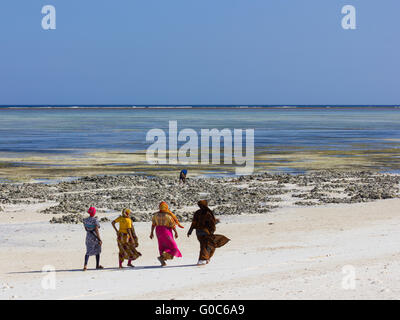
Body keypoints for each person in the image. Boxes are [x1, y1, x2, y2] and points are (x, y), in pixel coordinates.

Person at [187, 200, 230, 265]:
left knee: (205, 245)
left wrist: (190, 231)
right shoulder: (208, 213)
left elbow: (194, 223)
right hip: (206, 232)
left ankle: (206, 258)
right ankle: (202, 260)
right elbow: (211, 223)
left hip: (198, 232)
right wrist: (214, 226)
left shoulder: (197, 212)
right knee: (207, 245)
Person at [150, 201, 182, 266]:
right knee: (173, 247)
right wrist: (176, 232)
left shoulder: (155, 215)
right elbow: (172, 225)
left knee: (162, 245)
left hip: (158, 231)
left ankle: (163, 260)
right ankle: (162, 257)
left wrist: (151, 233)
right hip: (166, 231)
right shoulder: (168, 216)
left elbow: (153, 225)